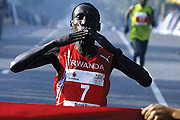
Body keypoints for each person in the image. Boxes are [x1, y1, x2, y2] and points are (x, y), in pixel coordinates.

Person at [10, 3, 152, 107]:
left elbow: (146, 81)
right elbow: (15, 66)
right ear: (72, 24)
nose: (85, 23)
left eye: (91, 19)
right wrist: (53, 43)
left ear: (98, 27)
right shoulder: (59, 52)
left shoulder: (109, 57)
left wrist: (115, 51)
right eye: (80, 18)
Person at [124, 0, 155, 67]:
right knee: (137, 52)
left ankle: (141, 70)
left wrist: (149, 17)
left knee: (142, 55)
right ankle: (133, 68)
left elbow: (154, 24)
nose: (143, 1)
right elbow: (127, 13)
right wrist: (126, 25)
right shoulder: (134, 7)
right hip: (135, 34)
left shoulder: (149, 9)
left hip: (145, 35)